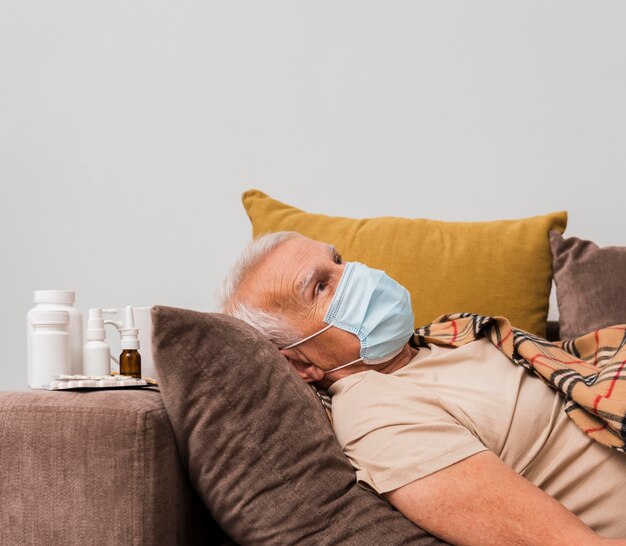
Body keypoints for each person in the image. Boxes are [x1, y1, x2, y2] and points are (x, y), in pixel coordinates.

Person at [218, 230, 626, 546]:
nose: (356, 274)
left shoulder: (442, 338)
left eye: (338, 260)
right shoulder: (380, 420)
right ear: (301, 363)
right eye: (321, 287)